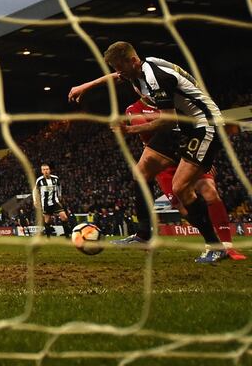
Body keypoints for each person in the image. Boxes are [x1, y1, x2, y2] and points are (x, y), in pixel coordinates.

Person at [69, 42, 226, 263]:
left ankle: (215, 246)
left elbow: (166, 121)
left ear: (133, 61)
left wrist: (130, 130)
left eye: (120, 67)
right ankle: (143, 235)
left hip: (203, 124)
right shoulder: (134, 71)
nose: (119, 72)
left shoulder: (156, 78)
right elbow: (114, 77)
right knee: (141, 173)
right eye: (116, 67)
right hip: (180, 124)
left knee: (180, 187)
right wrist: (85, 86)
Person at [125, 99, 245, 260]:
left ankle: (227, 246)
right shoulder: (135, 108)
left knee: (210, 191)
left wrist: (206, 157)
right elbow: (146, 131)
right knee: (183, 208)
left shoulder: (176, 101)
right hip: (162, 161)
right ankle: (211, 238)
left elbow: (197, 127)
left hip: (188, 153)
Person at [33, 163, 70, 239]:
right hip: (45, 204)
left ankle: (67, 237)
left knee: (64, 217)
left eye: (47, 169)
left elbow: (59, 186)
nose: (45, 171)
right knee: (47, 220)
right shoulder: (39, 180)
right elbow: (35, 190)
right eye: (44, 170)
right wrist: (35, 200)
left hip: (55, 201)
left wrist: (59, 195)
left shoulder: (55, 178)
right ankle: (48, 237)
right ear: (42, 171)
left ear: (49, 170)